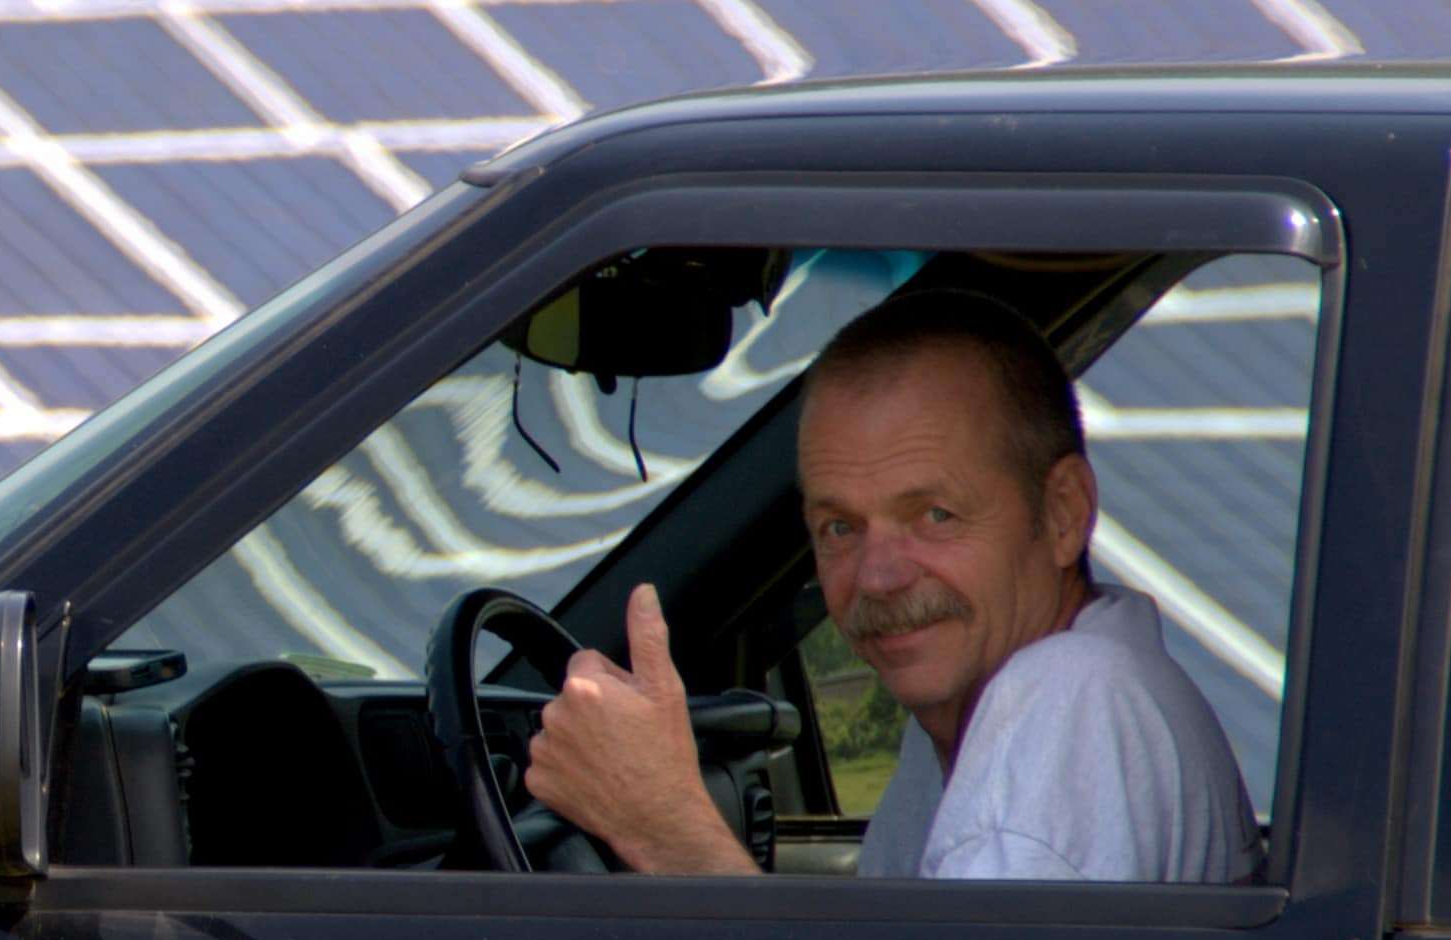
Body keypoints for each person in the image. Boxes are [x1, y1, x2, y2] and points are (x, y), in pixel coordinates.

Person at [520, 287, 1254, 883]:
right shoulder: (983, 712)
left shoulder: (1066, 703)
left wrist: (663, 827)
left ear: (1064, 514)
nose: (877, 576)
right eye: (839, 528)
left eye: (934, 515)